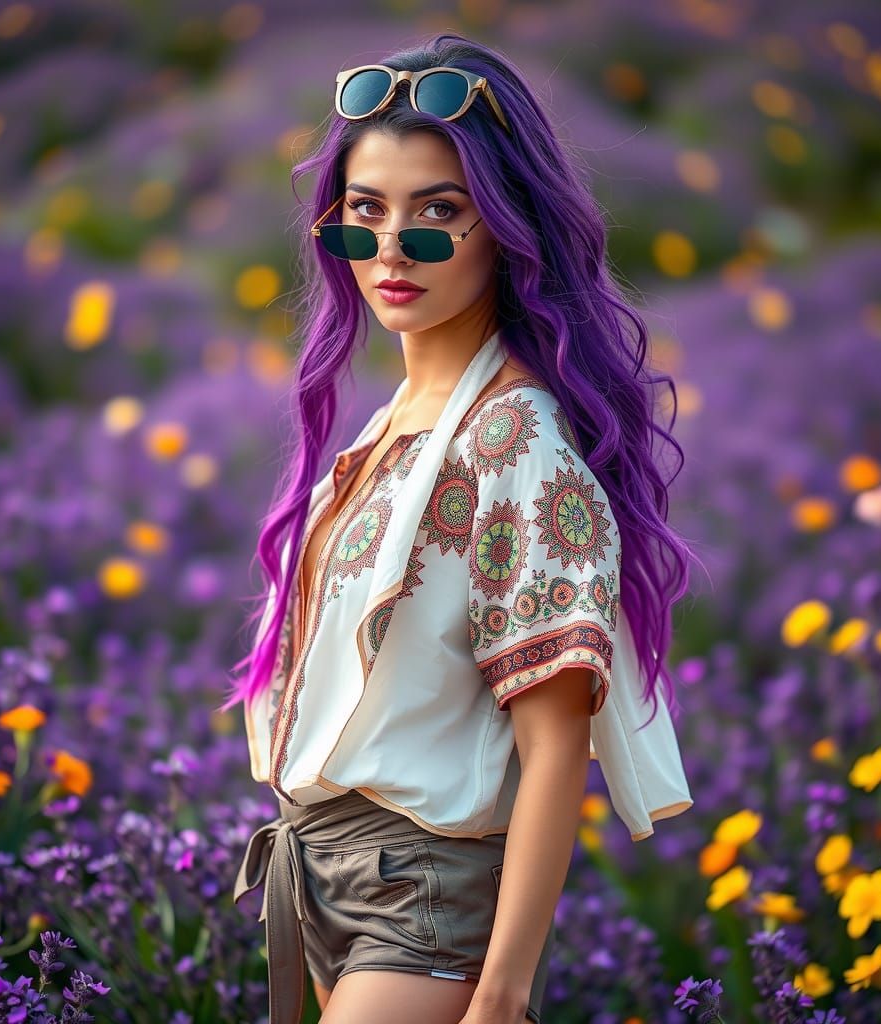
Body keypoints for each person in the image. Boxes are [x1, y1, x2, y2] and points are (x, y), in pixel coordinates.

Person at [219, 30, 697, 1024]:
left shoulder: (513, 437)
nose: (393, 248)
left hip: (426, 898)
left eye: (438, 214)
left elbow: (554, 742)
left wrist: (502, 995)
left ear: (507, 231)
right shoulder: (391, 425)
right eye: (366, 212)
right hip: (322, 874)